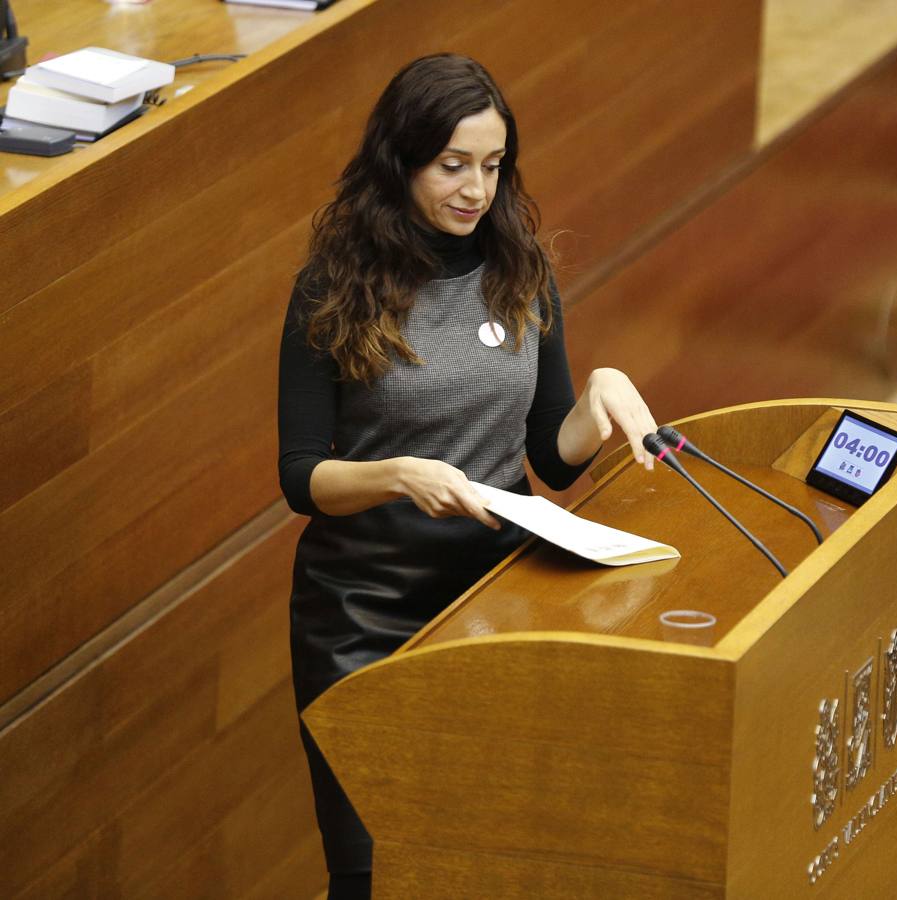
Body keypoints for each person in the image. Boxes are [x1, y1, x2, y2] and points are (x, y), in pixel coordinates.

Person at [276, 54, 658, 899]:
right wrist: (397, 474)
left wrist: (599, 396)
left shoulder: (523, 273)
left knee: (485, 857)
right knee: (373, 870)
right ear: (403, 160)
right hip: (362, 608)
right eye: (453, 166)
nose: (475, 189)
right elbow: (302, 479)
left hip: (493, 596)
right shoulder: (332, 288)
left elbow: (552, 463)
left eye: (492, 166)